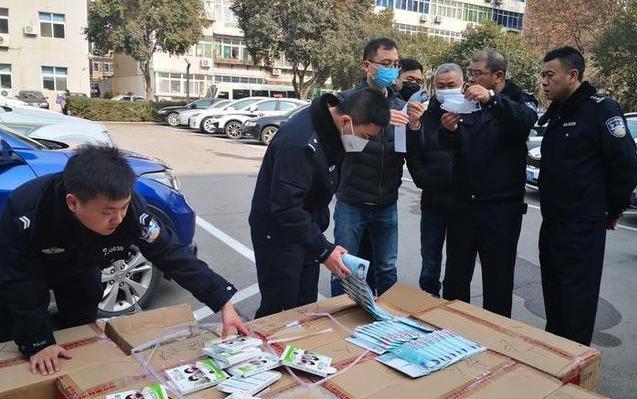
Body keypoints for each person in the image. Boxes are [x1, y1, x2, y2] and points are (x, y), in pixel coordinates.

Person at [0, 145, 249, 376]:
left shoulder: (131, 211)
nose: (118, 218)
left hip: (82, 269)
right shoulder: (27, 212)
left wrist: (223, 301)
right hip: (31, 268)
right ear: (73, 203)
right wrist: (38, 343)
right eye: (108, 212)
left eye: (123, 207)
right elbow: (21, 283)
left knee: (81, 327)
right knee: (17, 338)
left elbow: (172, 254)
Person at [249, 88, 391, 318]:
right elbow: (286, 208)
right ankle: (265, 349)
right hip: (278, 233)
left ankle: (299, 351)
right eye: (365, 136)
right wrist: (324, 250)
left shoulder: (333, 130)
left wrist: (320, 244)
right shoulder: (300, 143)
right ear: (347, 121)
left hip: (306, 228)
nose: (365, 143)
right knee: (279, 309)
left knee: (305, 305)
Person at [538, 46, 637, 345]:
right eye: (542, 75)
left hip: (582, 225)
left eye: (550, 75)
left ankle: (574, 366)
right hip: (553, 222)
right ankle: (555, 358)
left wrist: (614, 210)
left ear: (573, 75)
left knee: (576, 305)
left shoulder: (601, 109)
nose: (544, 82)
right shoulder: (557, 112)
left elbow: (626, 164)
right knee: (554, 302)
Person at [439, 49, 538, 317]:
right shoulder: (465, 99)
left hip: (500, 208)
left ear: (498, 76)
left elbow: (525, 121)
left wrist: (492, 99)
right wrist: (449, 131)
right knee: (456, 276)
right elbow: (452, 145)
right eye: (469, 72)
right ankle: (452, 331)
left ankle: (495, 337)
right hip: (463, 204)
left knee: (498, 279)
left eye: (476, 74)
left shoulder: (519, 98)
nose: (470, 79)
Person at [331, 37, 418, 297]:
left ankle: (386, 325)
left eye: (395, 64)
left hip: (386, 203)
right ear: (367, 66)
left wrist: (416, 128)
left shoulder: (400, 104)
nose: (392, 69)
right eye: (385, 63)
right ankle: (341, 323)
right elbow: (342, 147)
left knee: (387, 269)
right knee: (343, 267)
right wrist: (373, 117)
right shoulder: (346, 101)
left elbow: (408, 151)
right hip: (352, 200)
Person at [406, 63, 463, 297]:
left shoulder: (471, 113)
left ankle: (452, 305)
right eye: (441, 86)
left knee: (458, 261)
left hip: (463, 203)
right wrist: (424, 179)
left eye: (451, 85)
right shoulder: (425, 116)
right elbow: (413, 154)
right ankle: (428, 299)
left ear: (462, 84)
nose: (446, 89)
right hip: (432, 203)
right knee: (430, 258)